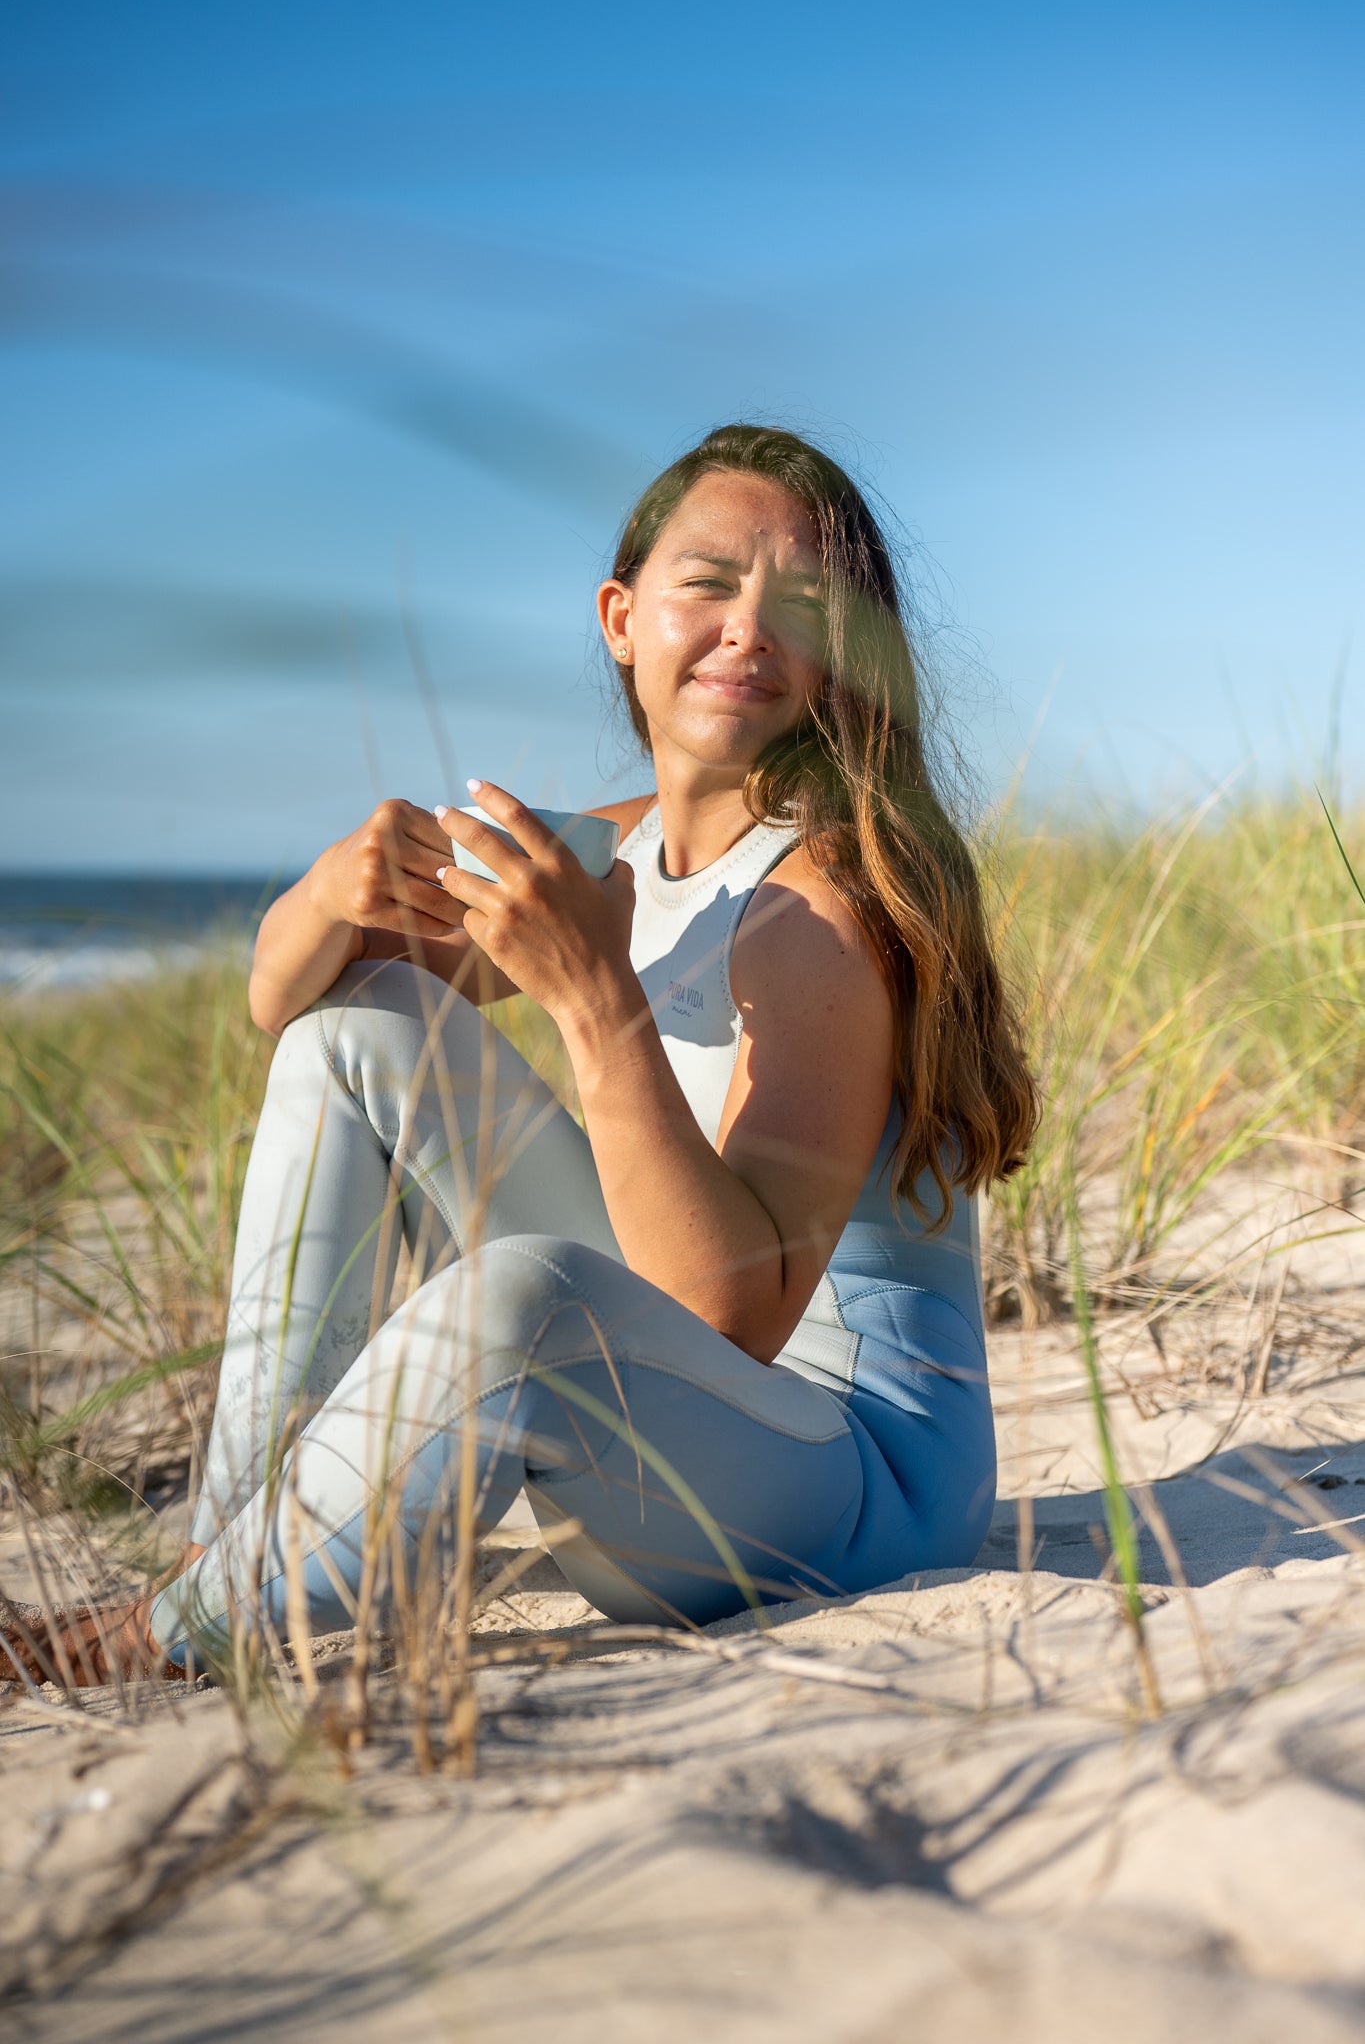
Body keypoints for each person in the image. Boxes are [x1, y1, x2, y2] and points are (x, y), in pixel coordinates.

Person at [2, 423, 1037, 1687]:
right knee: (359, 1026)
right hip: (677, 1432)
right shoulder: (610, 847)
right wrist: (335, 888)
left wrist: (593, 996)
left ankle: (163, 1631)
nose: (748, 626)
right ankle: (230, 1541)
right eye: (706, 582)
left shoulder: (825, 907)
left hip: (852, 1481)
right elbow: (289, 1003)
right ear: (622, 616)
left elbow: (732, 1316)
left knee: (523, 1294)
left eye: (803, 600)